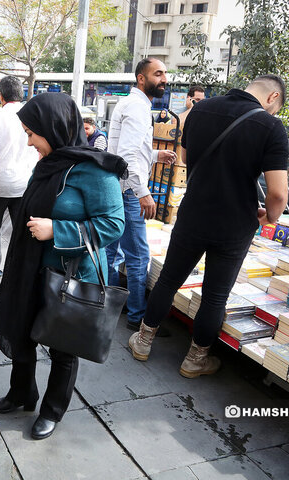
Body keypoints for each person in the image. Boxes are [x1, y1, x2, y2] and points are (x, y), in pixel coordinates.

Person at [129, 75, 289, 377]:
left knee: (168, 280)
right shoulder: (271, 127)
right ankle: (195, 359)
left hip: (193, 213)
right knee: (215, 294)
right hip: (235, 223)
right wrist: (270, 217)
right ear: (273, 98)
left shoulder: (201, 109)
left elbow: (186, 159)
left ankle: (143, 341)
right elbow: (278, 194)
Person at [0, 93, 126, 440]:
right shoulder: (51, 161)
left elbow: (114, 224)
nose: (28, 140)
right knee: (22, 331)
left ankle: (52, 410)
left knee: (64, 346)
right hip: (31, 268)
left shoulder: (96, 169)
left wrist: (57, 229)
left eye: (32, 133)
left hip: (71, 275)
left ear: (55, 128)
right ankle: (22, 393)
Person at [106, 58, 177, 333]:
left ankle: (112, 304)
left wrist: (156, 155)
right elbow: (128, 156)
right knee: (137, 256)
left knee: (113, 251)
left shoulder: (133, 104)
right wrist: (143, 193)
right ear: (141, 78)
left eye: (165, 75)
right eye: (158, 74)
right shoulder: (137, 107)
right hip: (128, 192)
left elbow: (130, 149)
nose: (164, 79)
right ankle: (136, 315)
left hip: (120, 189)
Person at [0, 76, 38, 278]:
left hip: (0, 184)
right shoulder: (32, 115)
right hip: (25, 183)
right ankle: (20, 267)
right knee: (22, 228)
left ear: (1, 96)